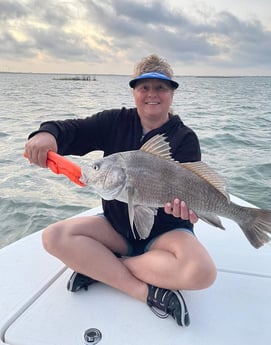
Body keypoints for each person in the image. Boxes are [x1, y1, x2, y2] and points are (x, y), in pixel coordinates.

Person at [25, 54, 216, 327]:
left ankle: (102, 269)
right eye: (144, 87)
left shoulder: (185, 138)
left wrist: (189, 211)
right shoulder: (114, 121)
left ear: (172, 93)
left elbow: (192, 187)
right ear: (134, 91)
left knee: (202, 272)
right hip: (116, 227)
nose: (152, 94)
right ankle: (143, 290)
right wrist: (47, 134)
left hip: (166, 232)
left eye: (161, 87)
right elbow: (75, 130)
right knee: (54, 237)